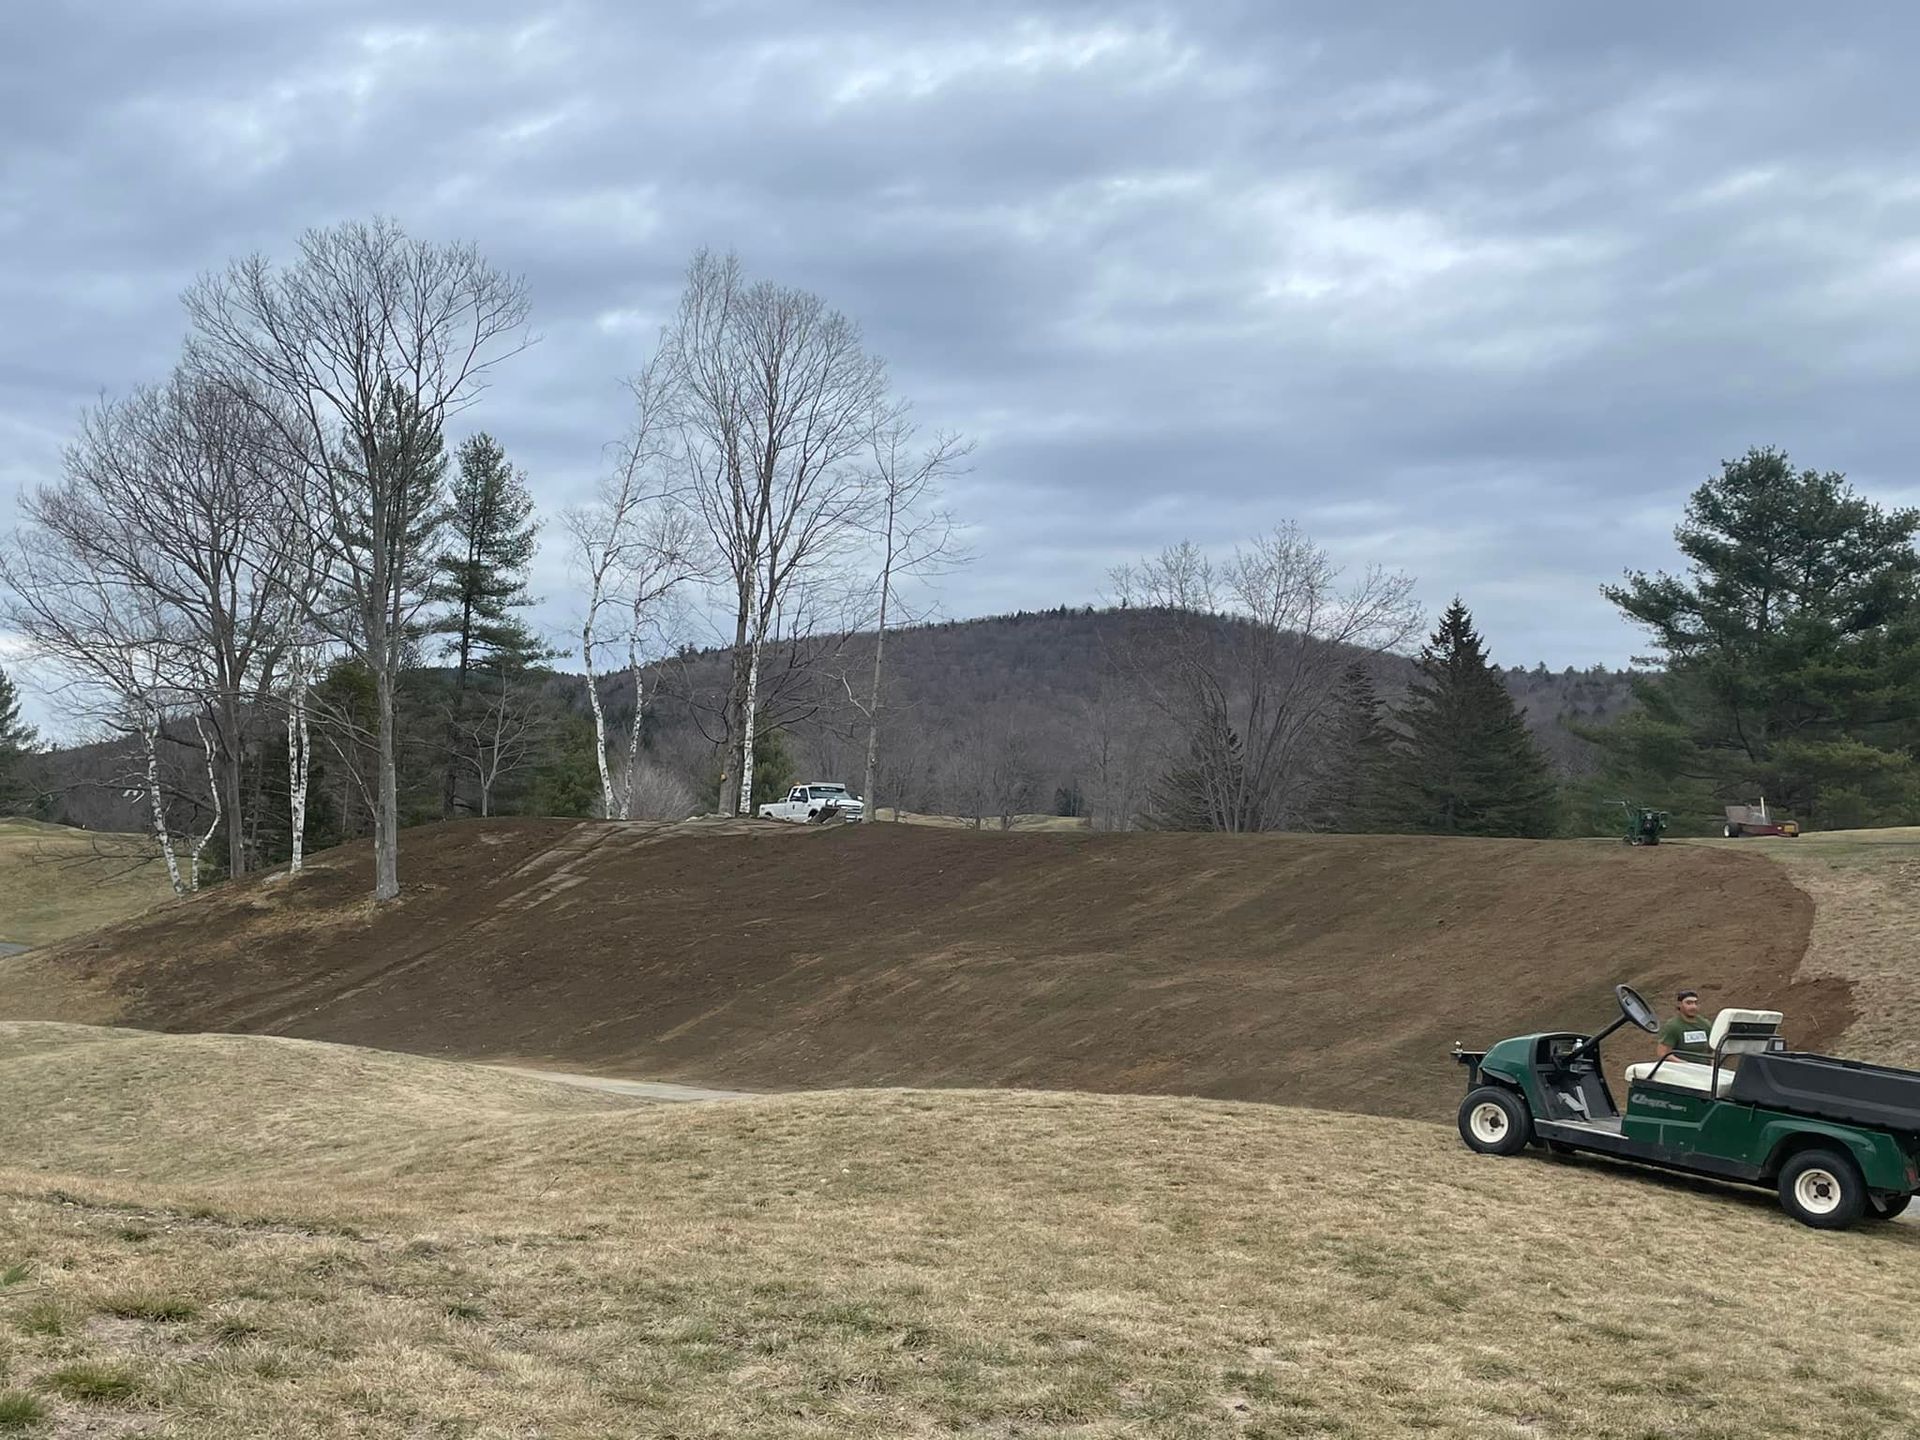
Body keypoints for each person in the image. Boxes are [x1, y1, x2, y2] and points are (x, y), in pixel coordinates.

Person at [1656, 990, 1713, 1060]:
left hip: (1704, 1068)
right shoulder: (1672, 1026)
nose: (1693, 1007)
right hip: (1681, 1069)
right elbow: (1663, 1053)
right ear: (1679, 1004)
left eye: (1695, 1003)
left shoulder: (1705, 1024)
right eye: (1689, 1003)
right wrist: (1686, 1065)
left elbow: (1713, 1050)